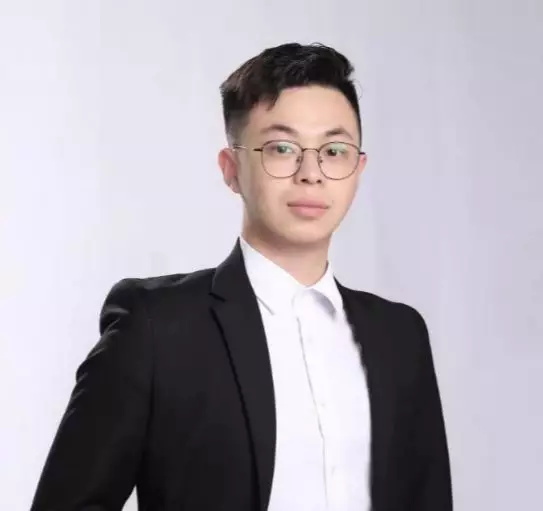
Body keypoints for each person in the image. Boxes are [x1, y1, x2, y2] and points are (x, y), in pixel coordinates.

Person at [31, 42, 452, 511]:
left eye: (334, 150)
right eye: (281, 148)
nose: (311, 173)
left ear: (358, 168)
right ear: (231, 169)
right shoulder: (157, 329)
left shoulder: (400, 336)